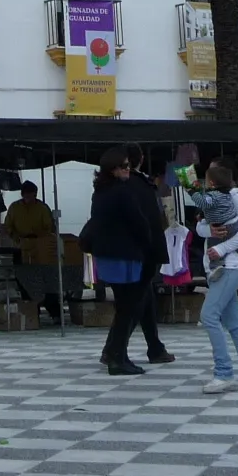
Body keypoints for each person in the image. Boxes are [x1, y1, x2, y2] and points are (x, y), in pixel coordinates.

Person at [80, 148, 156, 376]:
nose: (128, 170)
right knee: (128, 308)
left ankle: (117, 354)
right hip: (126, 255)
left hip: (108, 254)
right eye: (123, 166)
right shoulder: (122, 192)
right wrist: (147, 242)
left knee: (125, 307)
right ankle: (117, 358)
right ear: (112, 170)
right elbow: (139, 222)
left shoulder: (100, 192)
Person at [196, 160, 238, 393]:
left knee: (209, 316)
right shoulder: (214, 198)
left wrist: (222, 248)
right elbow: (200, 227)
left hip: (231, 265)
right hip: (218, 266)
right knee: (235, 324)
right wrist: (209, 231)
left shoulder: (235, 196)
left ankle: (223, 372)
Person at [116, 147, 175, 364]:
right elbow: (151, 220)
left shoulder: (117, 186)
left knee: (144, 298)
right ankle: (114, 348)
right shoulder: (140, 185)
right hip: (142, 251)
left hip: (129, 250)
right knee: (134, 302)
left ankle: (155, 347)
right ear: (140, 160)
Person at [1, 182, 55, 250]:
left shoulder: (42, 208)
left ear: (35, 194)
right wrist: (16, 238)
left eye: (30, 195)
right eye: (26, 195)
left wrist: (39, 237)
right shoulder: (14, 207)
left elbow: (49, 227)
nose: (28, 198)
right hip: (19, 246)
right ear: (22, 194)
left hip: (39, 246)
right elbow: (8, 225)